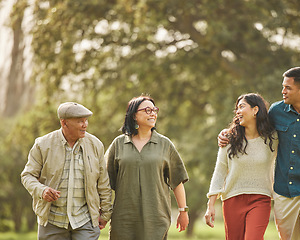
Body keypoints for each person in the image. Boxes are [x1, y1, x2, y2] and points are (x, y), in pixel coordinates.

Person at [218, 67, 300, 240]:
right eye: (283, 86)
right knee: (289, 237)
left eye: (288, 88)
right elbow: (254, 126)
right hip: (283, 189)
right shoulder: (276, 111)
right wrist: (228, 132)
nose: (283, 91)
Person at [21, 102, 113, 240]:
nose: (85, 125)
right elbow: (27, 176)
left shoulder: (96, 145)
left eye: (86, 120)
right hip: (52, 221)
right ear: (64, 123)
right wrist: (42, 190)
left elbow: (103, 183)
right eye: (80, 121)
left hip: (85, 220)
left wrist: (105, 214)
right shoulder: (42, 144)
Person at [105, 95, 189, 240]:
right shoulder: (118, 144)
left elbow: (177, 181)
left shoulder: (165, 144)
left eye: (154, 110)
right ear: (134, 116)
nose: (153, 113)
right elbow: (104, 181)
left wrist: (183, 211)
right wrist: (103, 212)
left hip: (155, 219)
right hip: (123, 220)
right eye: (147, 110)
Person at [205, 93, 278, 240]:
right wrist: (210, 204)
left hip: (260, 198)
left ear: (255, 110)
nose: (237, 111)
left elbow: (294, 149)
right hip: (232, 200)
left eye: (242, 106)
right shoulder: (229, 138)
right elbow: (220, 171)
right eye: (237, 108)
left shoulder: (272, 138)